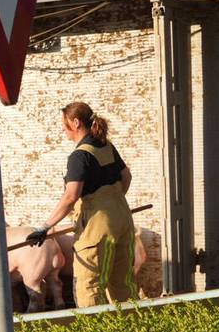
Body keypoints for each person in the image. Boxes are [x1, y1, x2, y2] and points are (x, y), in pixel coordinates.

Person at [26, 102, 137, 307]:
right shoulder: (106, 145)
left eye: (64, 124)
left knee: (90, 286)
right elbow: (126, 176)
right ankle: (132, 331)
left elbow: (71, 197)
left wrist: (44, 227)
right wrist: (114, 203)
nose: (63, 129)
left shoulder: (79, 156)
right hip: (123, 219)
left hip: (97, 226)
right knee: (122, 283)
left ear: (75, 123)